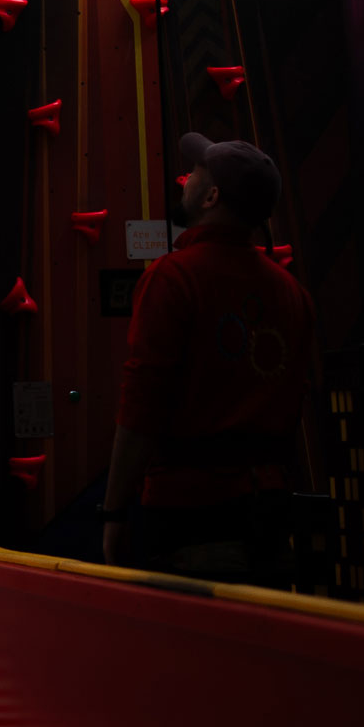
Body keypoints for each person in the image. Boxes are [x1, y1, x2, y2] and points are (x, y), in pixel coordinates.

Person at [99, 133, 320, 584]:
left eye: (196, 171)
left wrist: (114, 513)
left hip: (187, 514)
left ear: (212, 195)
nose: (186, 177)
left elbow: (141, 408)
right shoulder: (295, 295)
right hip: (271, 515)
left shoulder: (172, 279)